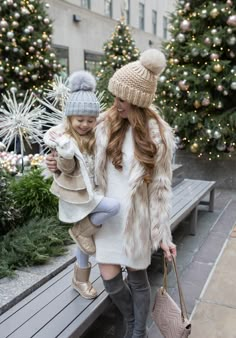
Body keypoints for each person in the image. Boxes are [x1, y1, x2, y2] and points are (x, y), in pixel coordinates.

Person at [46, 49, 177, 338]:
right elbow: (79, 161)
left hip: (136, 220)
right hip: (106, 217)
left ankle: (137, 331)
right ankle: (131, 320)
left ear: (137, 101)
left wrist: (163, 236)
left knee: (139, 279)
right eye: (115, 96)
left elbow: (160, 189)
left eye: (122, 99)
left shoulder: (158, 135)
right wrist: (57, 164)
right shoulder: (103, 124)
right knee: (109, 277)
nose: (115, 103)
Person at [44, 70, 120, 300]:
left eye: (90, 120)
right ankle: (81, 231)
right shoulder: (64, 140)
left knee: (84, 243)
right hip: (76, 195)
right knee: (113, 207)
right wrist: (64, 155)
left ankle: (80, 279)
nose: (85, 124)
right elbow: (65, 170)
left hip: (93, 191)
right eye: (79, 120)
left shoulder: (96, 135)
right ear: (69, 118)